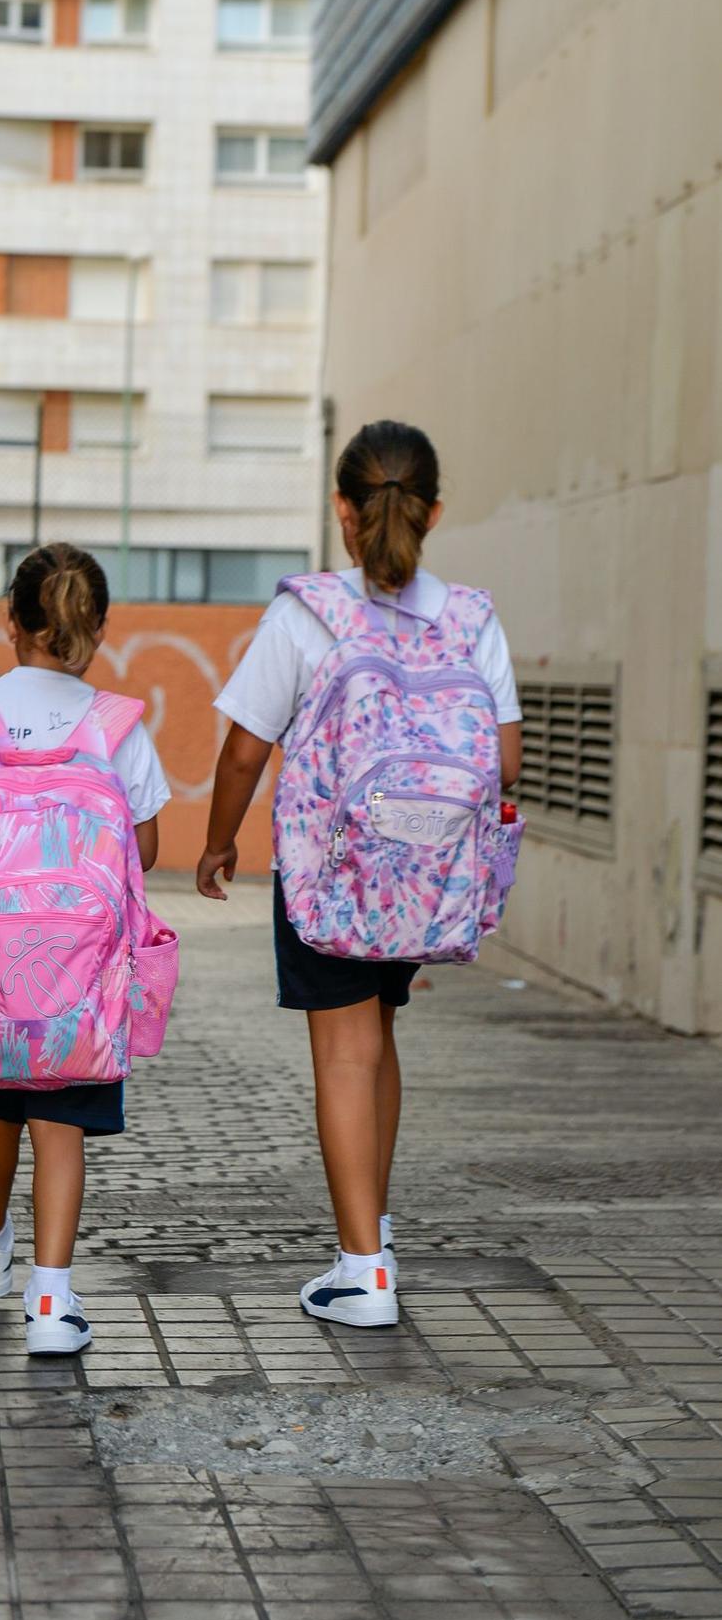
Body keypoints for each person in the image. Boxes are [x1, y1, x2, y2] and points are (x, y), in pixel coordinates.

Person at [196, 421, 522, 1326]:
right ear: (434, 511)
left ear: (341, 509)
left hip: (330, 874)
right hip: (423, 881)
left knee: (342, 1053)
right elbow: (505, 760)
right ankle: (369, 1232)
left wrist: (219, 844)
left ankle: (362, 1269)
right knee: (374, 1041)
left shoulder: (307, 612)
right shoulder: (471, 617)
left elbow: (242, 750)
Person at [0, 543, 170, 1354]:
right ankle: (51, 1302)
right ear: (97, 628)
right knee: (61, 1124)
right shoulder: (115, 724)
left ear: (11, 621)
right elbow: (146, 847)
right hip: (80, 976)